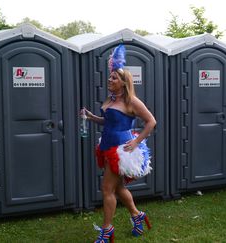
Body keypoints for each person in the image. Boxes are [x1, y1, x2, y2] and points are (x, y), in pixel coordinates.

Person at [83, 44, 156, 243]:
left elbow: (151, 122)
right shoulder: (111, 99)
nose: (110, 79)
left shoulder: (132, 101)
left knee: (107, 189)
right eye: (110, 76)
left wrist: (136, 141)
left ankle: (106, 231)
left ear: (123, 82)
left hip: (120, 150)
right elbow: (109, 122)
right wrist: (91, 118)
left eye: (114, 77)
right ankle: (137, 215)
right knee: (118, 188)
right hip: (107, 146)